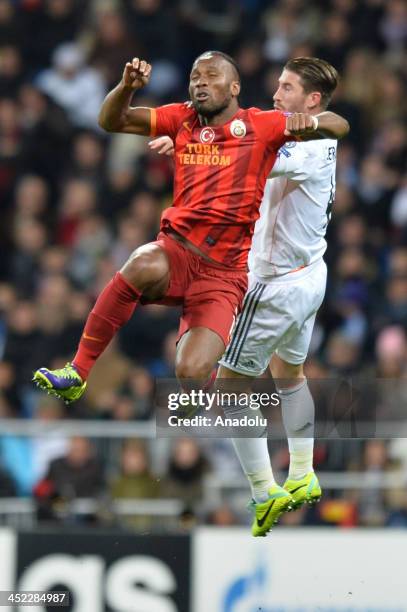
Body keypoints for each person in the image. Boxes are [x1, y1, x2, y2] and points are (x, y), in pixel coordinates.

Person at [33, 54, 348, 436]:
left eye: (211, 76)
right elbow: (110, 120)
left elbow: (339, 124)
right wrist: (127, 87)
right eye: (195, 76)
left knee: (190, 371)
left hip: (223, 275)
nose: (200, 82)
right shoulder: (180, 118)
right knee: (141, 262)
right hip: (178, 251)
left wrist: (310, 122)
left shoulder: (262, 126)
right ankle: (78, 371)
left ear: (234, 88)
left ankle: (197, 393)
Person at [150, 56, 342, 536]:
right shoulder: (314, 137)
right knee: (289, 374)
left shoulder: (307, 146)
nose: (276, 95)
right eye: (277, 85)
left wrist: (188, 143)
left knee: (228, 387)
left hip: (273, 284)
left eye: (287, 88)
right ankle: (302, 474)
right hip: (311, 274)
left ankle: (263, 490)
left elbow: (240, 159)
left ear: (312, 100)